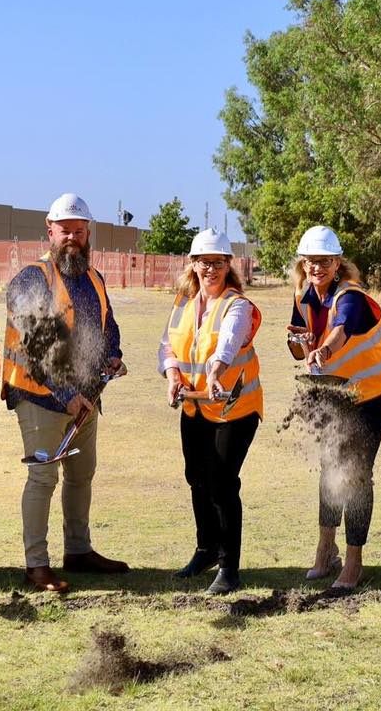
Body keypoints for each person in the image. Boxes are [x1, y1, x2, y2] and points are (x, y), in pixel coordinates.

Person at [1, 193, 130, 593]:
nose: (72, 238)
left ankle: (78, 550)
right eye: (64, 231)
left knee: (81, 476)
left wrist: (113, 355)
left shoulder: (93, 277)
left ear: (87, 232)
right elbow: (38, 346)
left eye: (78, 231)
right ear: (49, 231)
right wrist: (67, 394)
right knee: (43, 479)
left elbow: (108, 325)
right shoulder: (30, 279)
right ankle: (36, 565)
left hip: (86, 400)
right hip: (42, 399)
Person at [286, 225, 381, 592]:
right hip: (333, 392)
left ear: (337, 263)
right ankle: (326, 549)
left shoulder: (350, 296)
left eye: (324, 261)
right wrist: (301, 344)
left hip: (373, 394)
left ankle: (354, 562)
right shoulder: (303, 295)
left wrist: (324, 350)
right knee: (329, 468)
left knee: (354, 472)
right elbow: (295, 345)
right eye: (311, 262)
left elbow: (343, 329)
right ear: (302, 264)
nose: (317, 268)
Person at [159, 228, 263, 595]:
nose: (211, 269)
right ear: (193, 264)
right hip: (194, 407)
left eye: (218, 262)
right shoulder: (183, 302)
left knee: (222, 482)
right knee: (197, 478)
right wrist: (172, 373)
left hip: (235, 409)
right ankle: (205, 550)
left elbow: (231, 341)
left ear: (228, 265)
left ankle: (229, 567)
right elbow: (167, 346)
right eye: (204, 262)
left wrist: (218, 368)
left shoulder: (238, 304)